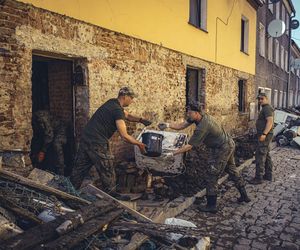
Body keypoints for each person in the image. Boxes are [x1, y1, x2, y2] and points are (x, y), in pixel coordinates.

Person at [158, 101, 250, 213]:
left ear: (196, 113)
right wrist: (167, 125)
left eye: (190, 112)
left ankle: (212, 205)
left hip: (222, 148)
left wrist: (172, 153)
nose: (188, 114)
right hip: (227, 144)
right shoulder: (199, 117)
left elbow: (189, 146)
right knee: (231, 170)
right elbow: (181, 125)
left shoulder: (202, 126)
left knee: (212, 174)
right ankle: (244, 195)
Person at [70, 87, 151, 199]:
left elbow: (126, 115)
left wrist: (141, 120)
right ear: (125, 97)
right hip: (98, 142)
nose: (132, 101)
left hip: (86, 139)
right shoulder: (116, 109)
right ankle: (112, 199)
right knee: (107, 169)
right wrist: (140, 144)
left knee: (80, 169)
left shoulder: (112, 103)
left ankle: (69, 192)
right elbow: (124, 136)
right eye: (131, 98)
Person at [31, 110, 67, 175]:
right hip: (50, 132)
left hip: (60, 130)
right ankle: (39, 167)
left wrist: (42, 151)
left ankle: (61, 172)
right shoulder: (34, 120)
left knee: (56, 145)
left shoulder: (43, 119)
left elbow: (49, 135)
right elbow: (37, 136)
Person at [250, 93, 274, 184]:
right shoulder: (265, 108)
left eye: (262, 99)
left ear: (266, 99)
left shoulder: (267, 108)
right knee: (266, 154)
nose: (260, 101)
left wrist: (264, 134)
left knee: (260, 155)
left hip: (265, 135)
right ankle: (268, 175)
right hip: (265, 135)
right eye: (259, 99)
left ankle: (258, 178)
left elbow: (270, 122)